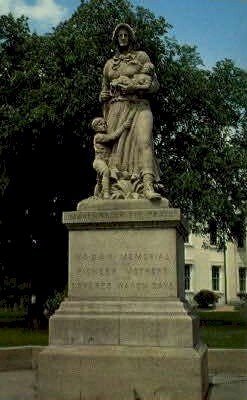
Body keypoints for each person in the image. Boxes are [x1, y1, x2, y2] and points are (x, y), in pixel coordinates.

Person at [99, 23, 161, 200]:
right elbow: (103, 91)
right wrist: (103, 96)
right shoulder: (109, 65)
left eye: (126, 35)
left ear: (131, 38)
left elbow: (155, 85)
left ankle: (148, 185)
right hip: (116, 109)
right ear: (116, 39)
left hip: (139, 105)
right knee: (115, 151)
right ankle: (109, 189)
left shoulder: (141, 57)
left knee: (145, 141)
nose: (123, 38)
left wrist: (137, 87)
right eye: (120, 35)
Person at [92, 109, 135, 199]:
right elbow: (112, 137)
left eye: (104, 124)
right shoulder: (98, 136)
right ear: (95, 128)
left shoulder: (103, 135)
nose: (103, 125)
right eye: (100, 124)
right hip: (99, 161)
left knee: (100, 181)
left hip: (106, 161)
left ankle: (97, 195)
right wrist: (123, 126)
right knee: (106, 172)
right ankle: (106, 194)